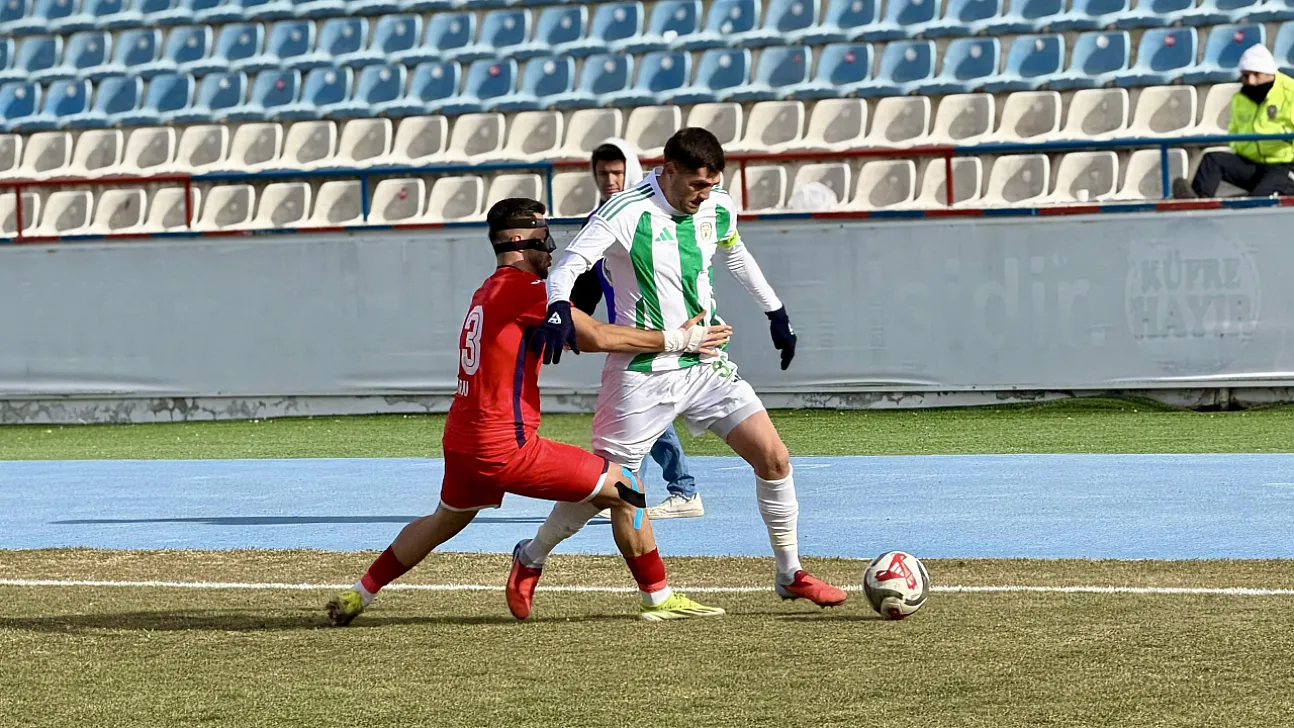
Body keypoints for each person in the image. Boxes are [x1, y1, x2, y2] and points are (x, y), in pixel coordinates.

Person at [325, 197, 730, 626]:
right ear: (520, 239)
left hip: (464, 439)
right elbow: (596, 336)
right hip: (505, 445)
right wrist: (676, 340)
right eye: (545, 238)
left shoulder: (488, 289)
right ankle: (653, 595)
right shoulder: (527, 290)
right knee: (627, 485)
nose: (553, 250)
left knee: (442, 521)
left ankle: (359, 595)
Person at [511, 128, 850, 619]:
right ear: (667, 170)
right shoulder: (624, 212)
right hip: (642, 374)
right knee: (610, 490)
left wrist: (775, 310)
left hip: (705, 363)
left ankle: (789, 573)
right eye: (696, 185)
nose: (704, 195)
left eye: (711, 185)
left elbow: (734, 253)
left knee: (774, 458)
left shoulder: (716, 207)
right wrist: (558, 308)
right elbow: (568, 265)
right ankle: (531, 555)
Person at [573, 140, 704, 520]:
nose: (609, 180)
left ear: (630, 170)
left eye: (616, 172)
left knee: (641, 414)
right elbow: (589, 280)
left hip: (659, 330)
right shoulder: (603, 217)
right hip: (627, 332)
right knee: (646, 414)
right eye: (602, 173)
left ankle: (644, 493)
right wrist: (572, 318)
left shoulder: (649, 211)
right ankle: (665, 490)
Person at [1174, 44, 1294, 199]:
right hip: (1255, 165)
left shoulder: (1291, 93)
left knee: (1256, 202)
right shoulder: (1241, 98)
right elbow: (1236, 135)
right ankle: (1198, 206)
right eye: (1245, 75)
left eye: (1256, 74)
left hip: (1285, 166)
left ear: (1269, 73)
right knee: (1213, 160)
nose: (1250, 81)